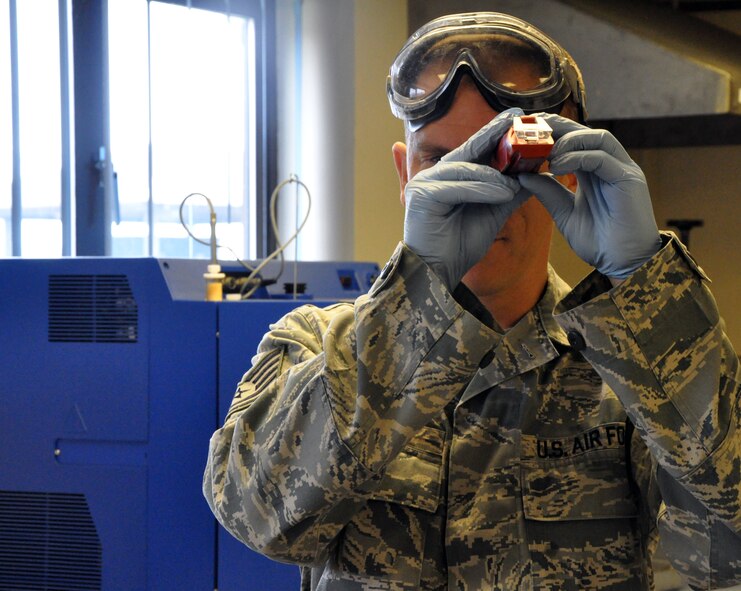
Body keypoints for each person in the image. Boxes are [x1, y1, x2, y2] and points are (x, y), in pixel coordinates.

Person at [204, 12, 741, 590]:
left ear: (567, 172)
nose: (476, 195)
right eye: (441, 163)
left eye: (508, 165)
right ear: (404, 173)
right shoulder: (316, 346)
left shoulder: (629, 366)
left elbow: (724, 555)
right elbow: (258, 516)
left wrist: (645, 286)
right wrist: (415, 308)